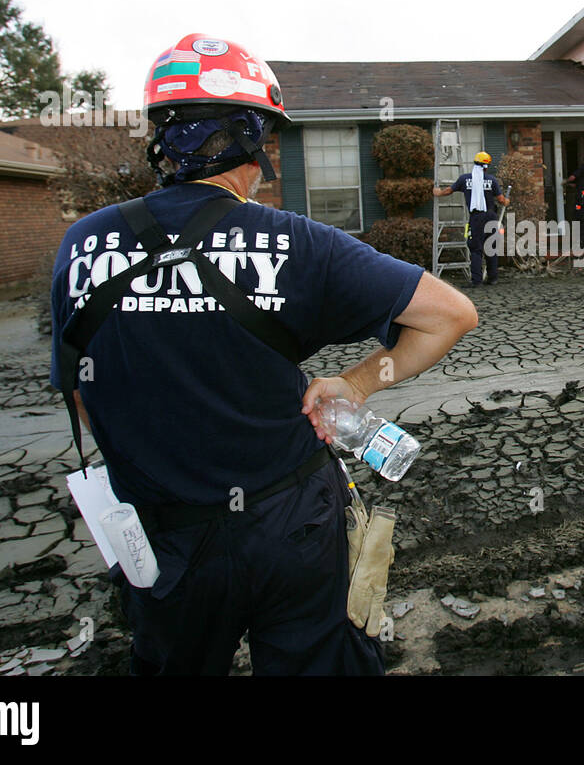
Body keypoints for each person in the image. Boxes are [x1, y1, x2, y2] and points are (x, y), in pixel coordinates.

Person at [49, 33, 477, 675]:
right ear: (255, 142)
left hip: (164, 535)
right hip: (290, 522)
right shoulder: (297, 243)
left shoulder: (82, 243)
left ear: (161, 141)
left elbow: (81, 391)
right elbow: (449, 315)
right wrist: (358, 384)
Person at [432, 151, 509, 287]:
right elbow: (501, 200)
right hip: (491, 217)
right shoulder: (492, 180)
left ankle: (476, 280)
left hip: (476, 218)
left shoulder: (464, 179)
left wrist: (438, 193)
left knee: (475, 248)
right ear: (486, 167)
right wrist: (506, 201)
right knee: (491, 247)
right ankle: (492, 278)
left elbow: (449, 190)